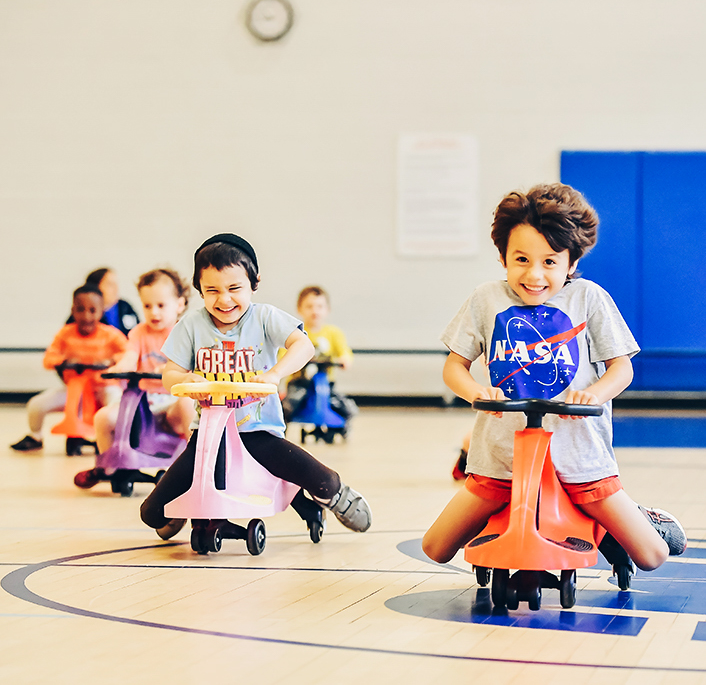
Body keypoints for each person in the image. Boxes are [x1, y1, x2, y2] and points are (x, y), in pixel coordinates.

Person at [422, 183, 686, 571]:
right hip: (500, 457)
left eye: (549, 262)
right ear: (502, 257)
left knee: (652, 555)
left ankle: (625, 522)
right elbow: (453, 367)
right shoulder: (485, 299)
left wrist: (594, 395)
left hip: (580, 456)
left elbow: (622, 368)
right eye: (521, 259)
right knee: (436, 548)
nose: (534, 274)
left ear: (571, 261)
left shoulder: (588, 299)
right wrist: (477, 392)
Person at [139, 233, 372, 539]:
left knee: (319, 478)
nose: (224, 300)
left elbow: (304, 347)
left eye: (235, 288)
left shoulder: (264, 317)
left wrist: (275, 374)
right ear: (199, 291)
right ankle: (194, 511)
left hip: (259, 430)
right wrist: (184, 380)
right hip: (208, 433)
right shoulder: (191, 326)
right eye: (212, 291)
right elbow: (170, 373)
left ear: (254, 282)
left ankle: (333, 494)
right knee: (150, 514)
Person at [74, 269, 195, 488]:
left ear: (179, 304)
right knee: (103, 418)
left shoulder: (184, 333)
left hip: (171, 400)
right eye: (147, 306)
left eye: (160, 305)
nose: (153, 312)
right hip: (143, 400)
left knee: (187, 405)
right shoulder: (139, 333)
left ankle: (194, 464)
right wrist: (117, 368)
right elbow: (129, 357)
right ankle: (109, 466)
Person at [11, 285, 128, 451]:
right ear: (73, 310)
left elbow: (129, 354)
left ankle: (114, 440)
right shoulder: (65, 334)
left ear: (101, 311)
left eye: (92, 310)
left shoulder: (112, 335)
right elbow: (48, 359)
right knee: (36, 405)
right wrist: (64, 360)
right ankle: (35, 436)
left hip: (103, 388)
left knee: (117, 403)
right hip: (75, 389)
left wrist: (110, 361)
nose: (86, 316)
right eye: (80, 309)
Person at [281, 286, 357, 424]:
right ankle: (281, 433)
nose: (315, 311)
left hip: (326, 383)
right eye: (309, 306)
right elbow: (283, 355)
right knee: (288, 406)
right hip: (300, 383)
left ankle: (343, 427)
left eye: (319, 306)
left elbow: (344, 351)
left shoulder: (333, 333)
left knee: (346, 408)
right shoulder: (294, 333)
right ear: (300, 309)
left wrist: (345, 360)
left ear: (327, 310)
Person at [68, 268, 139, 336]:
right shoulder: (83, 314)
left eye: (116, 284)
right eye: (110, 284)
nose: (115, 288)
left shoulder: (125, 307)